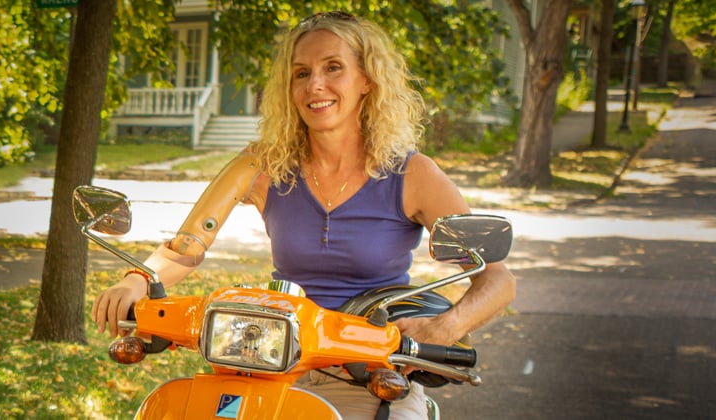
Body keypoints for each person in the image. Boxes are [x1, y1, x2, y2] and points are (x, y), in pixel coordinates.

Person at [89, 11, 517, 420]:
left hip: (371, 370)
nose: (316, 85)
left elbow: (497, 278)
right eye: (301, 73)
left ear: (367, 80)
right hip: (269, 361)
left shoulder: (411, 174)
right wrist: (136, 280)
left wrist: (448, 325)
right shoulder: (263, 164)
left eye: (333, 68)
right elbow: (185, 249)